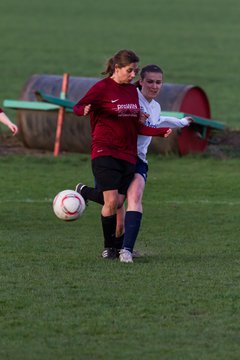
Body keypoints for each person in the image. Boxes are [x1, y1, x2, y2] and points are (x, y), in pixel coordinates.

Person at [75, 64, 193, 262]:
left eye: (159, 82)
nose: (154, 86)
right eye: (150, 82)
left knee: (134, 197)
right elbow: (133, 123)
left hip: (138, 160)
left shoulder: (154, 106)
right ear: (141, 82)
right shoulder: (130, 98)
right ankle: (86, 194)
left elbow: (158, 119)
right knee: (114, 206)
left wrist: (180, 122)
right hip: (116, 155)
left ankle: (127, 250)